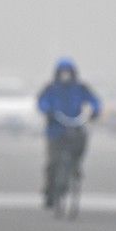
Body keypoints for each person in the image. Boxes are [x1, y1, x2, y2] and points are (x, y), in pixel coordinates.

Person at [37, 58, 101, 208]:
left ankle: (76, 166)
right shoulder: (51, 88)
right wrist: (48, 111)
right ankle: (50, 191)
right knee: (53, 162)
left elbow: (94, 101)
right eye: (62, 73)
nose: (65, 76)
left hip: (75, 126)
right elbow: (42, 102)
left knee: (81, 144)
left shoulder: (80, 88)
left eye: (68, 73)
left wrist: (94, 111)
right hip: (55, 129)